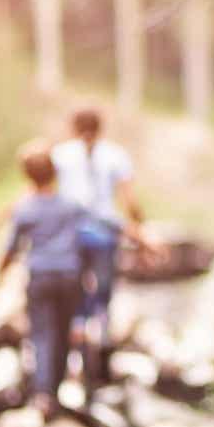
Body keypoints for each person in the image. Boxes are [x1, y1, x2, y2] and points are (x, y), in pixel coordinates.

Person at [0, 141, 90, 418]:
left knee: (42, 335)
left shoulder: (24, 209)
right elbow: (98, 228)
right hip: (70, 276)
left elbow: (10, 249)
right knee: (62, 334)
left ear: (27, 176)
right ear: (55, 173)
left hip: (41, 276)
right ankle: (56, 391)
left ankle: (44, 395)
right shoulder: (70, 205)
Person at [49, 107, 151, 352]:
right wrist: (138, 227)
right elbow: (130, 200)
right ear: (100, 128)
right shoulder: (116, 155)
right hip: (105, 232)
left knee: (75, 285)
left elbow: (47, 193)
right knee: (104, 286)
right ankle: (102, 330)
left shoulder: (60, 155)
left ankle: (78, 327)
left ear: (72, 127)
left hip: (70, 233)